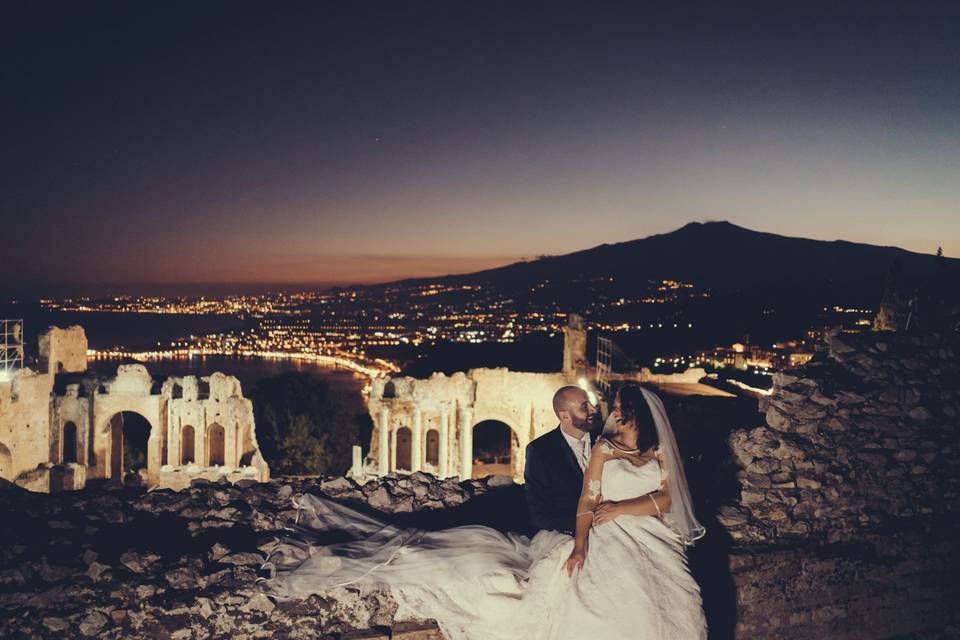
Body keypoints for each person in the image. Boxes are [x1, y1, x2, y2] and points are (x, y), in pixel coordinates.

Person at [260, 383, 706, 640]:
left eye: (604, 408)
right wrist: (580, 537)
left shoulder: (652, 449)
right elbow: (562, 505)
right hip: (583, 533)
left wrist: (621, 508)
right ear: (564, 416)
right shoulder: (567, 450)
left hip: (645, 533)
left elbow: (670, 497)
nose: (599, 411)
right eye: (586, 408)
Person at [524, 385, 601, 534]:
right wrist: (588, 524)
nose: (594, 410)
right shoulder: (539, 451)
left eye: (591, 403)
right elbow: (538, 514)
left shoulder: (606, 438)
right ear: (564, 416)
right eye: (584, 407)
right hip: (569, 533)